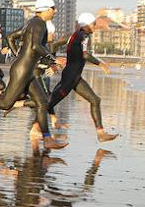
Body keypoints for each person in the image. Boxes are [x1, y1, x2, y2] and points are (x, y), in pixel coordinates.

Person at [0, 0, 68, 149]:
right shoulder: (39, 24)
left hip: (27, 68)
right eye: (53, 8)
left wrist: (18, 55)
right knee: (5, 103)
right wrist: (53, 59)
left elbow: (12, 37)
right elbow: (36, 46)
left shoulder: (31, 23)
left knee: (42, 102)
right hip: (24, 69)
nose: (55, 11)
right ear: (46, 9)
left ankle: (47, 138)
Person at [48, 13, 119, 143]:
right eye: (94, 24)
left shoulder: (73, 35)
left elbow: (53, 45)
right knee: (48, 103)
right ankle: (19, 104)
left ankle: (101, 134)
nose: (95, 27)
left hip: (74, 76)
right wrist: (100, 64)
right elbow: (85, 55)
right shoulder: (84, 36)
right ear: (86, 25)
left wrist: (53, 62)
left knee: (95, 100)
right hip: (70, 77)